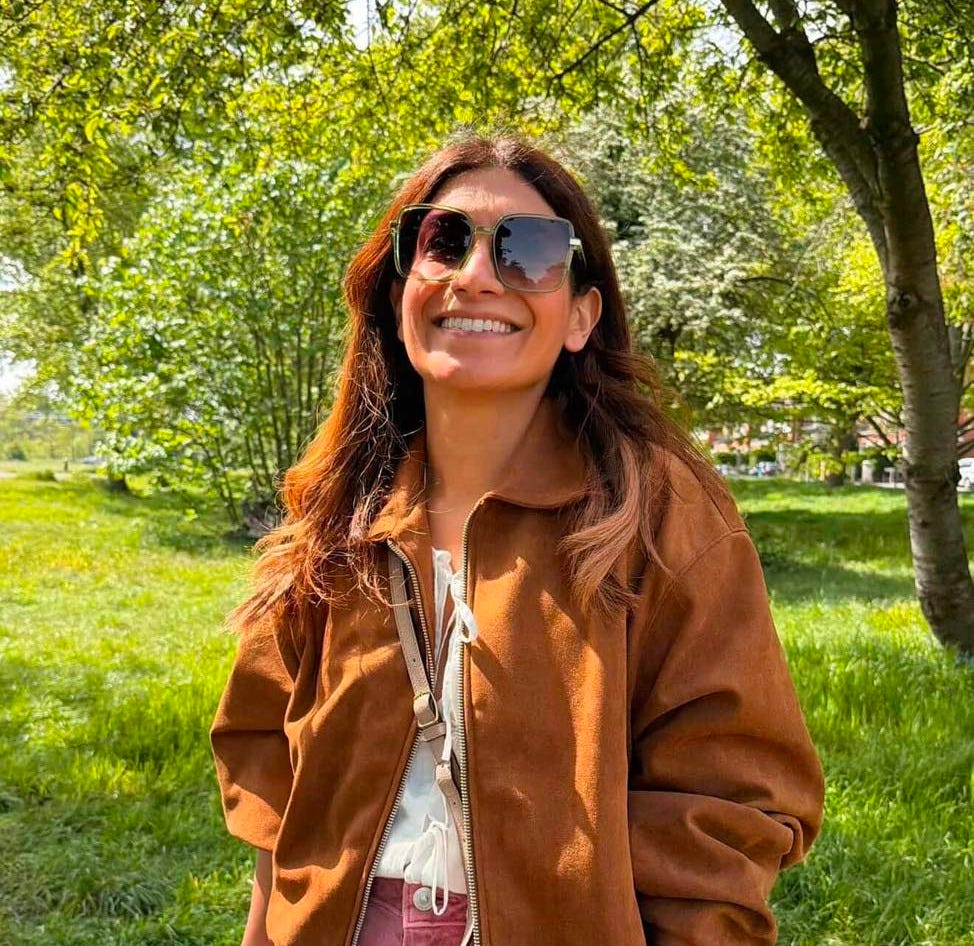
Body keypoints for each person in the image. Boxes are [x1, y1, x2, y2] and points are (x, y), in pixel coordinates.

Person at [210, 133, 825, 946]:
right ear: (399, 294)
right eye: (442, 241)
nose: (476, 275)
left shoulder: (658, 514)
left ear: (580, 316)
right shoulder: (339, 517)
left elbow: (731, 797)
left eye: (527, 251)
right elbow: (272, 787)